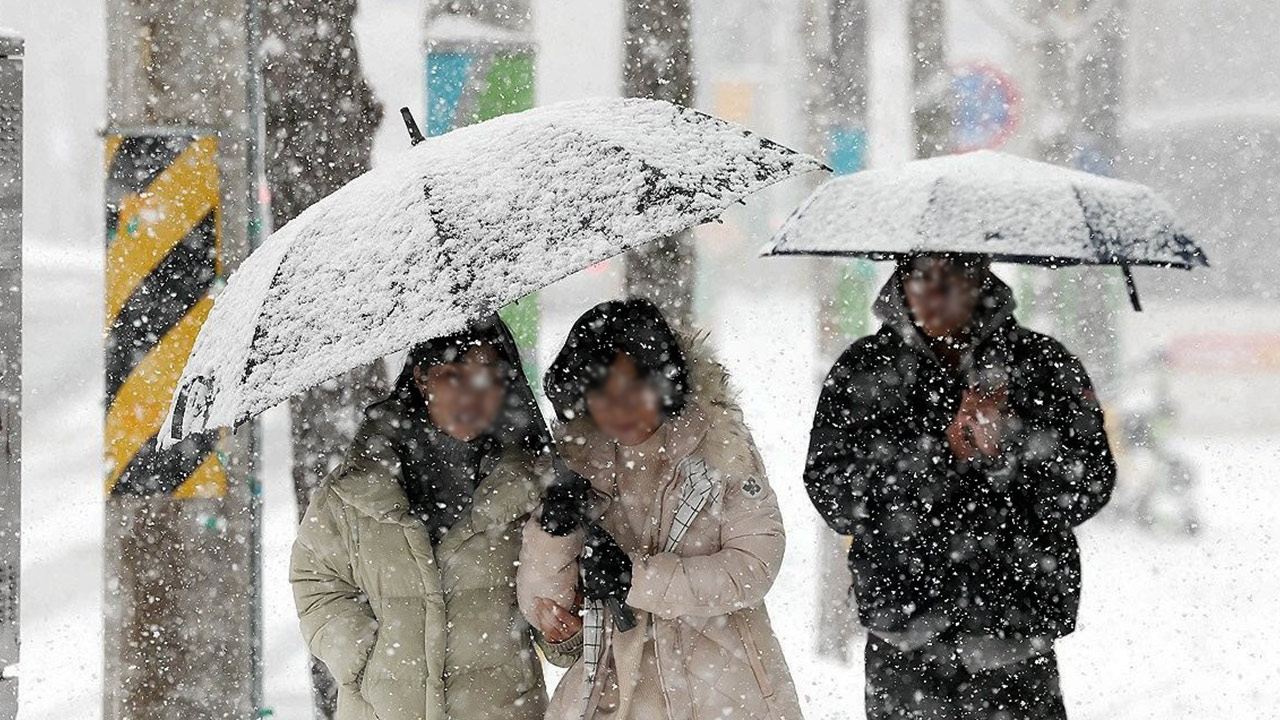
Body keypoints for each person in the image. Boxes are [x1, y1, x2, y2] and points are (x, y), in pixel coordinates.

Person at [804, 254, 1116, 720]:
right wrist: (937, 455)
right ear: (901, 282)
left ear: (980, 278)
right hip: (904, 634)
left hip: (1014, 636)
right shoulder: (864, 368)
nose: (936, 294)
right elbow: (833, 491)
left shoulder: (1042, 365)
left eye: (953, 277)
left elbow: (1090, 483)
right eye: (922, 277)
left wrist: (1010, 449)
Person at [517, 298, 805, 720]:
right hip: (615, 693)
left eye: (631, 389)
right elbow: (543, 604)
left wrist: (635, 577)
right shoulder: (574, 463)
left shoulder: (719, 444)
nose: (619, 409)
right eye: (602, 395)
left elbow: (754, 565)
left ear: (661, 379)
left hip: (726, 689)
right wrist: (554, 531)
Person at [290, 316, 566, 720]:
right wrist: (368, 660)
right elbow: (315, 581)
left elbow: (557, 597)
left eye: (486, 379)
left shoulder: (529, 486)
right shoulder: (358, 487)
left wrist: (563, 631)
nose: (471, 397)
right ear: (421, 376)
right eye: (454, 377)